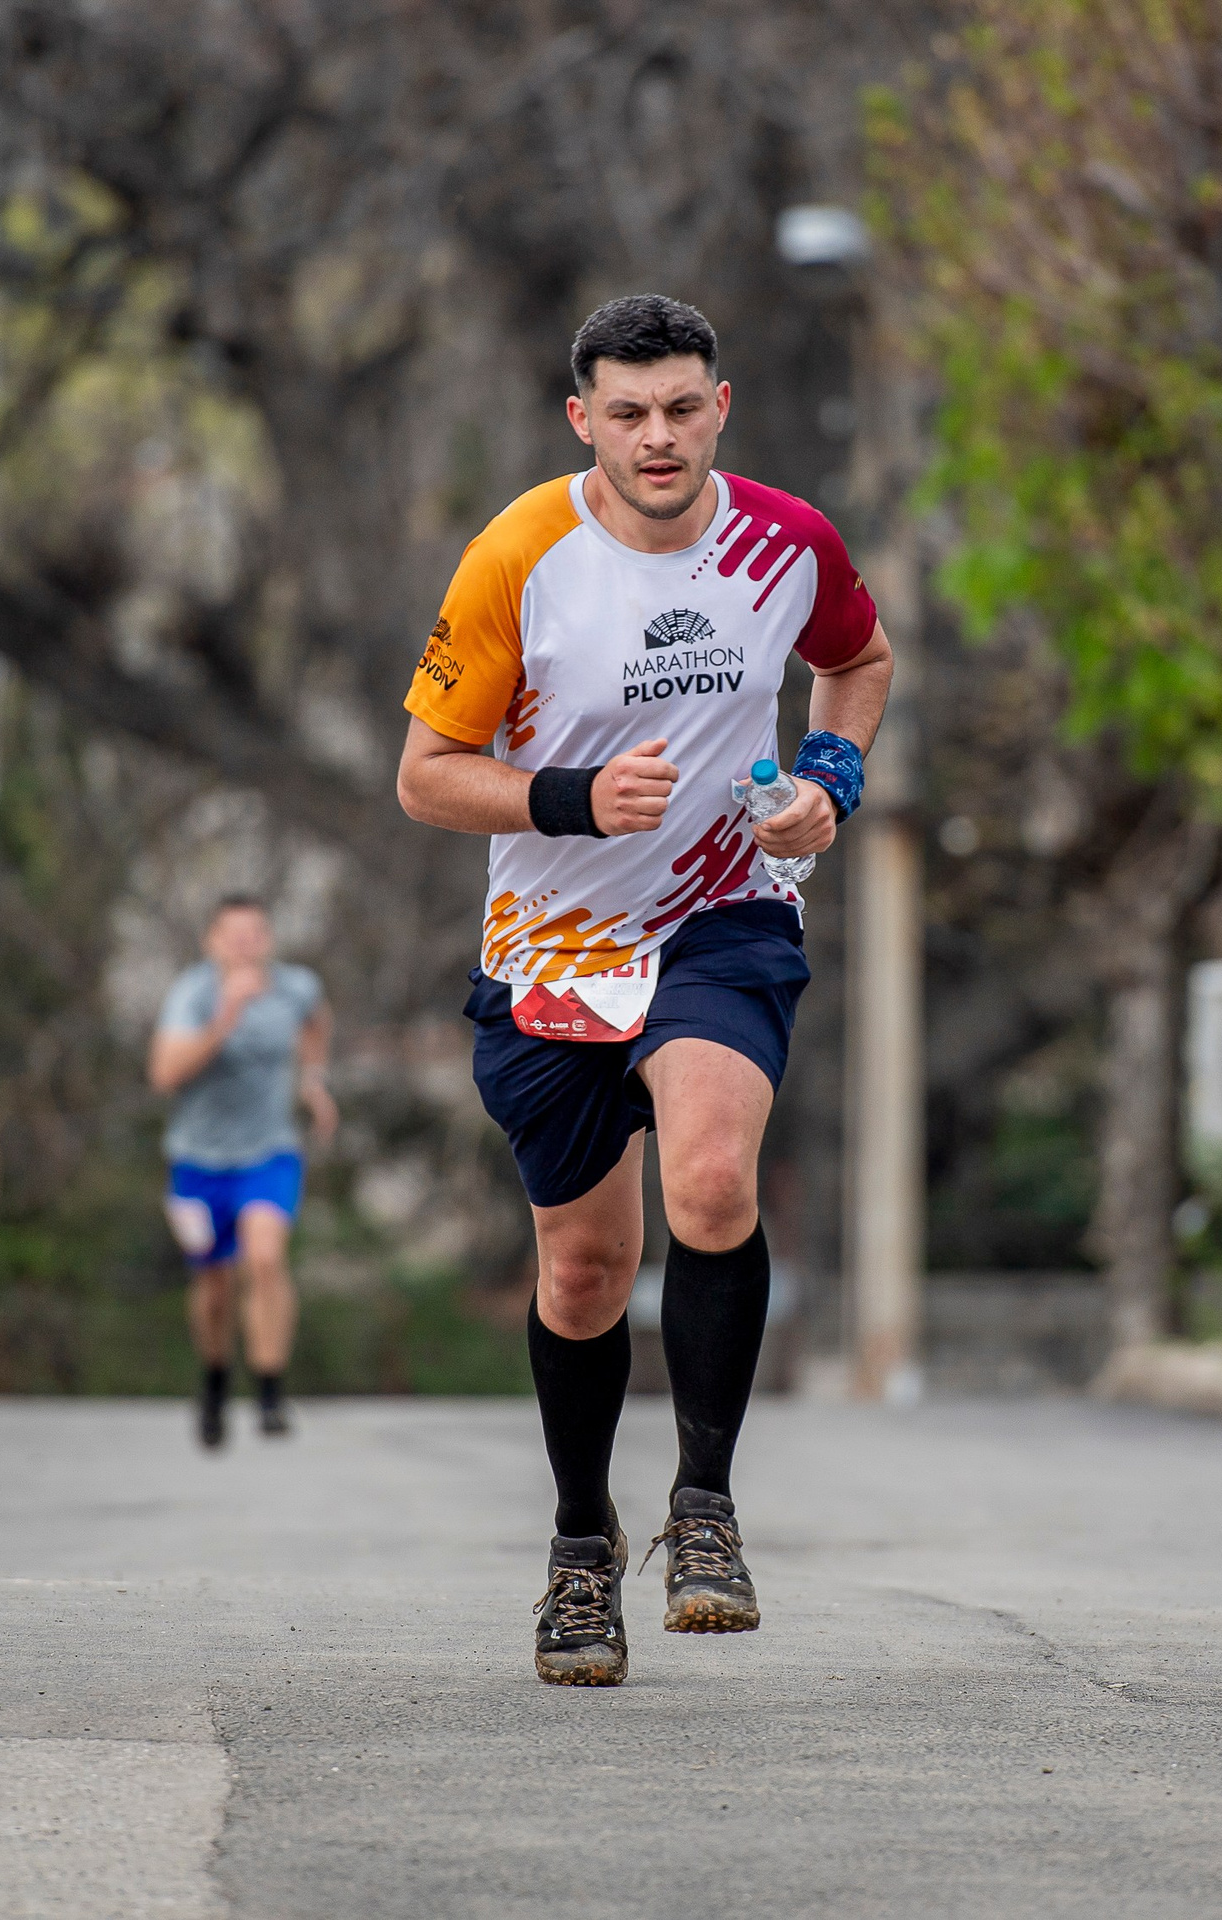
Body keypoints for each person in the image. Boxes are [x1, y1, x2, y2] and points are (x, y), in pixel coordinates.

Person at [396, 294, 892, 1684]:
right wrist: (570, 797)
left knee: (715, 1184)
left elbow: (857, 661)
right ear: (584, 421)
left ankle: (707, 1510)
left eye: (681, 408)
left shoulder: (787, 542)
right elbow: (425, 777)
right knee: (584, 1269)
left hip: (723, 920)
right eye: (627, 413)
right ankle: (580, 1546)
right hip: (556, 946)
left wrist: (831, 779)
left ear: (720, 406)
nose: (657, 437)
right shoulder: (518, 556)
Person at [148, 894, 337, 1447]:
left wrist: (313, 1080)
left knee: (265, 1258)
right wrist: (225, 1017)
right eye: (233, 936)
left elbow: (317, 1023)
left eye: (255, 934)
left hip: (269, 1152)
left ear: (269, 940)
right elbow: (164, 1075)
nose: (245, 946)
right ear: (212, 943)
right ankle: (214, 1379)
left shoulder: (296, 987)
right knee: (214, 1284)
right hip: (197, 1162)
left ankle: (271, 1392)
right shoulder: (192, 994)